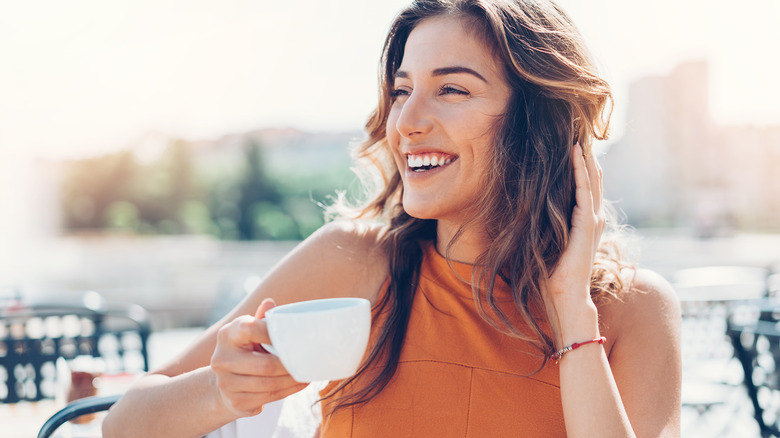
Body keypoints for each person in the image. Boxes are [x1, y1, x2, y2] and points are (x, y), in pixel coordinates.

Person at [103, 0, 681, 436]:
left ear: (538, 121)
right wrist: (223, 392)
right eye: (402, 91)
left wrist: (572, 313)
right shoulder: (355, 263)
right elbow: (124, 421)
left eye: (451, 89)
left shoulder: (631, 313)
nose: (406, 122)